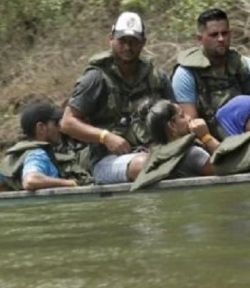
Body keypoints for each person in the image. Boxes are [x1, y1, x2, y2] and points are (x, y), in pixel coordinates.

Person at [60, 11, 174, 185]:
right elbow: (67, 123)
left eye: (133, 41)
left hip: (156, 152)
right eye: (122, 41)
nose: (127, 47)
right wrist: (105, 137)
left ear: (143, 42)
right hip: (107, 160)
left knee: (196, 156)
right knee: (143, 164)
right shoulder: (96, 79)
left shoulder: (158, 77)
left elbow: (176, 115)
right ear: (111, 39)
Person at [172, 8, 250, 139]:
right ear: (200, 38)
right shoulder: (185, 74)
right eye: (214, 35)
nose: (221, 39)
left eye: (225, 33)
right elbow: (192, 127)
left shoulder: (246, 66)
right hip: (209, 145)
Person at [0, 102, 91, 193]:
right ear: (41, 128)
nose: (60, 128)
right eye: (55, 123)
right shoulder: (38, 154)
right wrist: (70, 183)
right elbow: (31, 181)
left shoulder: (17, 155)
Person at [132, 99, 221, 189]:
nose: (189, 117)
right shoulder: (193, 154)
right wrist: (206, 136)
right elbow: (228, 167)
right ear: (172, 126)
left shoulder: (155, 155)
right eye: (182, 116)